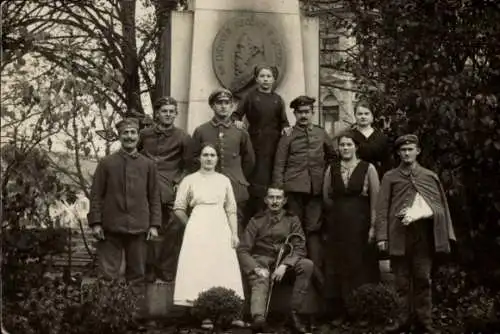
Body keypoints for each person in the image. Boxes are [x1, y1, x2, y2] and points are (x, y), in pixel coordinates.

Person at [375, 134, 456, 334]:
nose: (407, 153)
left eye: (410, 149)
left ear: (418, 151)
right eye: (403, 150)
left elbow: (440, 207)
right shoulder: (390, 177)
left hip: (423, 236)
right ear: (398, 153)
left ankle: (425, 322)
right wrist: (382, 237)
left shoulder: (429, 176)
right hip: (398, 235)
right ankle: (401, 321)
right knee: (401, 282)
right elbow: (382, 209)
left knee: (423, 279)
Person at [272, 95, 336, 286]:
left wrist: (326, 178)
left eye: (307, 112)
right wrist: (279, 190)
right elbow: (279, 163)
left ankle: (317, 275)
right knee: (295, 231)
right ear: (295, 113)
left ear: (312, 113)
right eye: (300, 112)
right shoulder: (288, 135)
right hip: (293, 190)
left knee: (314, 230)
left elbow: (332, 157)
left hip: (316, 191)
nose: (303, 116)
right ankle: (294, 270)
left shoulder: (320, 133)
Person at [88, 117, 160, 284]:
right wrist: (96, 223)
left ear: (138, 136)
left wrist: (154, 225)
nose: (129, 136)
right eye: (125, 133)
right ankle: (107, 309)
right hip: (110, 226)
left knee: (137, 275)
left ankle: (133, 309)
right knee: (107, 275)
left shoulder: (148, 165)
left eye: (133, 132)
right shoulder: (107, 163)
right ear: (119, 136)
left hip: (139, 226)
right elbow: (96, 194)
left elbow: (154, 196)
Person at [173, 143, 244, 306]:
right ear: (199, 158)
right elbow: (178, 208)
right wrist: (191, 225)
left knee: (220, 263)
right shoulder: (189, 180)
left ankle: (224, 306)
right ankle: (201, 308)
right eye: (205, 155)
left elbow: (231, 209)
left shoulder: (224, 180)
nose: (209, 158)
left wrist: (234, 234)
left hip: (220, 226)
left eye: (212, 155)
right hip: (197, 226)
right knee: (199, 264)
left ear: (217, 159)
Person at [322, 131, 380, 322]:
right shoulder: (332, 169)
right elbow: (327, 197)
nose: (345, 148)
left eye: (349, 145)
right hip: (338, 226)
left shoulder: (368, 168)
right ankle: (341, 312)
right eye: (342, 145)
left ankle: (362, 312)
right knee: (339, 266)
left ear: (356, 147)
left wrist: (373, 227)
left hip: (361, 226)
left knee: (360, 267)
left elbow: (375, 200)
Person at [238, 187, 313, 333]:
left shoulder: (292, 219)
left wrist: (285, 265)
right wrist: (255, 268)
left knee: (307, 265)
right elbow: (242, 249)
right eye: (271, 198)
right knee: (259, 277)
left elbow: (300, 247)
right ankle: (258, 318)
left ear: (284, 201)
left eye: (278, 198)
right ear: (266, 200)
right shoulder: (256, 221)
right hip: (262, 261)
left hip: (285, 263)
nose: (275, 201)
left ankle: (294, 314)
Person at [139, 96, 192, 282]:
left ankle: (166, 267)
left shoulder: (183, 137)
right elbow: (135, 156)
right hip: (145, 188)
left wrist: (179, 180)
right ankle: (150, 268)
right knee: (147, 228)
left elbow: (188, 165)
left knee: (175, 226)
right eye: (164, 111)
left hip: (170, 189)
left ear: (176, 114)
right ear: (157, 113)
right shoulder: (145, 135)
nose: (168, 115)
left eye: (171, 111)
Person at [191, 88, 255, 233]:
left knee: (235, 228)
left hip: (235, 187)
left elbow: (249, 160)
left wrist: (238, 176)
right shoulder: (201, 131)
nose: (223, 106)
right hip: (208, 188)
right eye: (219, 103)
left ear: (232, 106)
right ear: (212, 106)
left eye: (227, 103)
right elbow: (193, 159)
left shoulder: (240, 131)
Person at [233, 65, 292, 218]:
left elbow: (284, 121)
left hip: (273, 145)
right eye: (262, 76)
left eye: (268, 76)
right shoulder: (250, 97)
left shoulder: (278, 100)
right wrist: (237, 122)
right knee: (257, 181)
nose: (265, 79)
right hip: (255, 143)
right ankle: (255, 218)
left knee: (272, 179)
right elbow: (236, 115)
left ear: (273, 79)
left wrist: (286, 128)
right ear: (257, 78)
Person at [350, 99, 392, 178]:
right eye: (360, 114)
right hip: (354, 178)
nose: (363, 116)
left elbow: (387, 163)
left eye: (366, 114)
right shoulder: (349, 136)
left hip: (377, 178)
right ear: (355, 116)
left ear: (372, 116)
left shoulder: (381, 138)